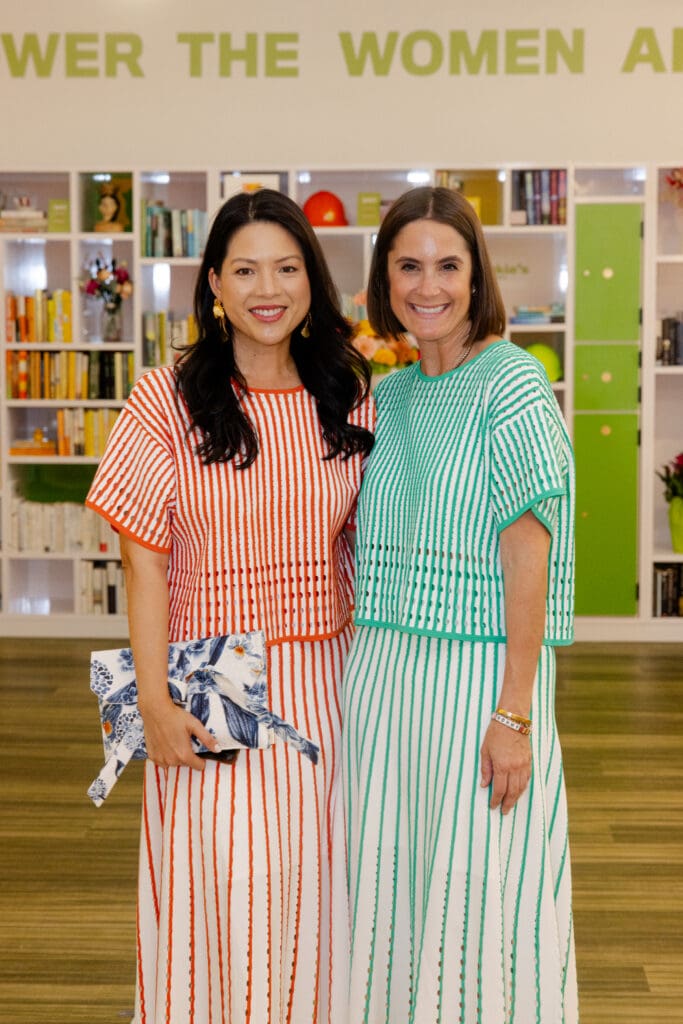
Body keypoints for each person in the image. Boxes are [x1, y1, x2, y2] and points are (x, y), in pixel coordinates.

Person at [86, 188, 374, 1023]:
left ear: (312, 281)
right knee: (219, 888)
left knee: (319, 889)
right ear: (213, 282)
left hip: (326, 674)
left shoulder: (347, 394)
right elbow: (144, 559)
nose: (266, 287)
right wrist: (150, 699)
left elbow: (363, 539)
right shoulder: (165, 396)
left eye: (286, 267)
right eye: (244, 269)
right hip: (210, 678)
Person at [342, 186, 578, 1023]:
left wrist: (514, 714)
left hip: (476, 685)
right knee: (393, 892)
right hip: (381, 680)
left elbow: (528, 550)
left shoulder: (510, 380)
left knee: (486, 899)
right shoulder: (390, 396)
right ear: (383, 278)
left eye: (449, 264)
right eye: (408, 265)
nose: (427, 285)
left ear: (477, 279)